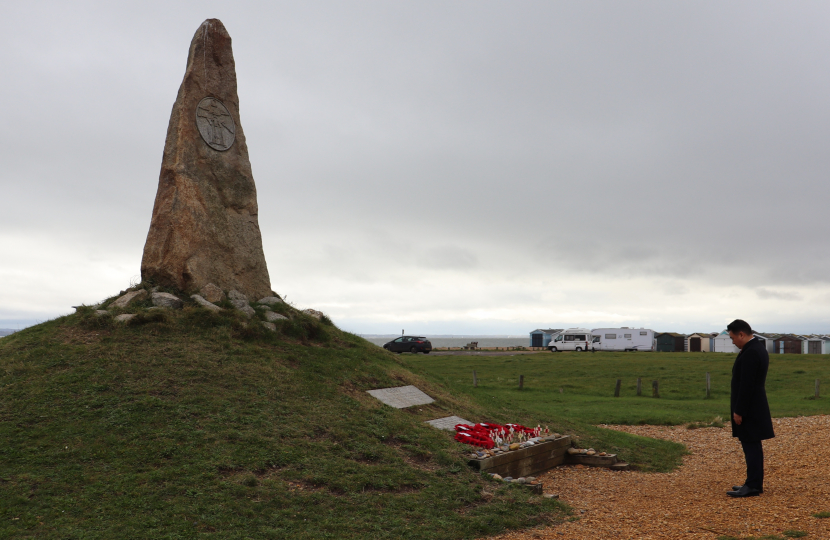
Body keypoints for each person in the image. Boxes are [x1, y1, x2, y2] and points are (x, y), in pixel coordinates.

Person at [726, 319, 775, 497]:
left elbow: (747, 385)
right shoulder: (756, 348)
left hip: (751, 407)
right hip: (754, 404)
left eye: (733, 338)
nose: (732, 342)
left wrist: (739, 410)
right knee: (751, 445)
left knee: (751, 445)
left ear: (741, 334)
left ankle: (753, 485)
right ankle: (752, 482)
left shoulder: (751, 352)